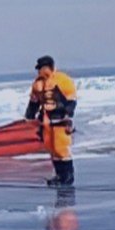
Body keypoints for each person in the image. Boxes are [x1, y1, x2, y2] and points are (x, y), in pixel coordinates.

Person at [25, 56, 77, 186]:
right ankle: (59, 176)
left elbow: (71, 99)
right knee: (52, 149)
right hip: (46, 122)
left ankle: (67, 176)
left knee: (61, 149)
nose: (39, 72)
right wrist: (29, 115)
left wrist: (68, 114)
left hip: (60, 119)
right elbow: (34, 101)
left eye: (41, 69)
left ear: (48, 67)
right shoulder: (38, 84)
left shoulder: (63, 80)